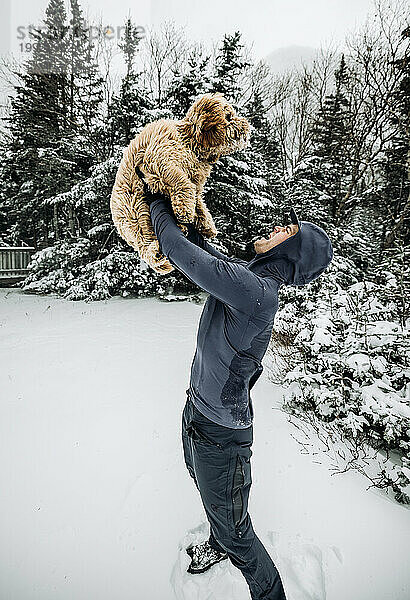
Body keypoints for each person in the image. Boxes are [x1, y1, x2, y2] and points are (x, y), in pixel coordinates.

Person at [140, 175, 333, 600]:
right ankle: (217, 538)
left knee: (238, 534)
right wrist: (184, 208)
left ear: (293, 252)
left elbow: (176, 250)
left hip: (221, 436)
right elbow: (202, 251)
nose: (278, 227)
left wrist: (153, 192)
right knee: (210, 496)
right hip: (198, 412)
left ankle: (269, 592)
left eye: (289, 231)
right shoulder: (248, 278)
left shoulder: (257, 292)